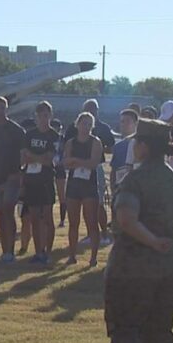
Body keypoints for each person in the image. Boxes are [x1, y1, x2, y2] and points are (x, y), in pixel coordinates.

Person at [82, 118, 173, 343]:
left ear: (143, 146)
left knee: (125, 324)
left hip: (134, 265)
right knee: (160, 325)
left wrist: (151, 241)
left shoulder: (136, 180)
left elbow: (127, 219)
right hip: (170, 265)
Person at [65, 99, 114, 241]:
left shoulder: (103, 127)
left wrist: (97, 152)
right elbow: (66, 149)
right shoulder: (73, 128)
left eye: (94, 109)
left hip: (95, 168)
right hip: (76, 170)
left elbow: (111, 146)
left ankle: (103, 233)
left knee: (98, 201)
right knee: (77, 201)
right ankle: (88, 234)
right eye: (89, 109)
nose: (92, 112)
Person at [0, 97, 26, 263]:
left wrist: (19, 171)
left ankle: (11, 250)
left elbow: (24, 152)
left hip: (11, 176)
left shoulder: (16, 130)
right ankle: (4, 249)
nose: (0, 111)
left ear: (7, 109)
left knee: (9, 210)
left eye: (3, 108)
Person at [64, 112, 104, 267]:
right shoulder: (71, 142)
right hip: (73, 185)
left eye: (89, 124)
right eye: (83, 123)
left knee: (91, 222)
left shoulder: (95, 142)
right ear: (77, 124)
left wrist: (76, 161)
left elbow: (93, 163)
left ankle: (93, 257)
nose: (85, 127)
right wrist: (78, 161)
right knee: (73, 222)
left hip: (89, 185)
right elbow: (66, 162)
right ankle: (72, 256)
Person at [21, 101, 59, 265]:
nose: (43, 119)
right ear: (36, 117)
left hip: (46, 180)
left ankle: (48, 252)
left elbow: (49, 159)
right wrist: (38, 158)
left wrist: (34, 157)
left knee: (47, 218)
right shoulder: (29, 135)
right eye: (40, 115)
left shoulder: (54, 136)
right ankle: (38, 252)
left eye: (46, 115)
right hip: (31, 180)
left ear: (50, 116)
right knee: (34, 218)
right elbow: (23, 157)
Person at [110, 109, 138, 191]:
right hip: (120, 187)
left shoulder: (141, 145)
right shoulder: (118, 146)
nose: (124, 125)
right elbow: (114, 170)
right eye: (122, 122)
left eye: (128, 121)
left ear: (136, 123)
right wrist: (113, 188)